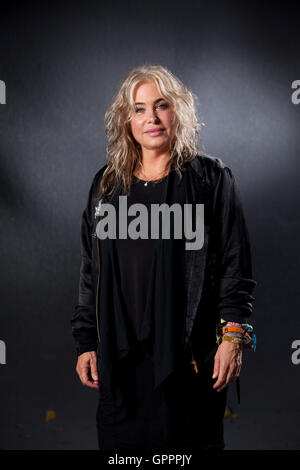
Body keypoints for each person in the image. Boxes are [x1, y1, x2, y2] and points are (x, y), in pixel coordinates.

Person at [70, 64, 257, 452]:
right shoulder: (106, 187)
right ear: (126, 120)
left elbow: (235, 267)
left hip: (188, 358)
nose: (150, 118)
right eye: (138, 109)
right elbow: (92, 270)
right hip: (121, 362)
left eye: (161, 105)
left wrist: (233, 337)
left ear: (179, 111)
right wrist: (86, 340)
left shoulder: (211, 180)